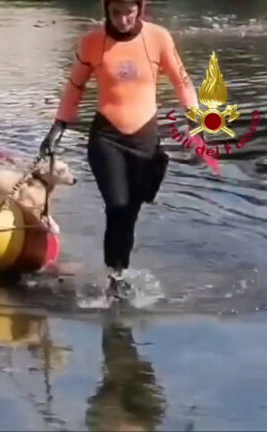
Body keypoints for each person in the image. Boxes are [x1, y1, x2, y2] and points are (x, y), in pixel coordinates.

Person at [39, 0, 203, 297]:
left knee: (129, 214)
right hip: (107, 138)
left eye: (130, 12)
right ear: (106, 10)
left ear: (140, 9)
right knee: (117, 205)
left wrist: (194, 120)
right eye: (116, 12)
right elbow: (75, 87)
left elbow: (183, 83)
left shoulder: (158, 38)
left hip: (145, 141)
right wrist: (58, 127)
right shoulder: (92, 43)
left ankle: (118, 273)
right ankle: (114, 280)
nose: (123, 19)